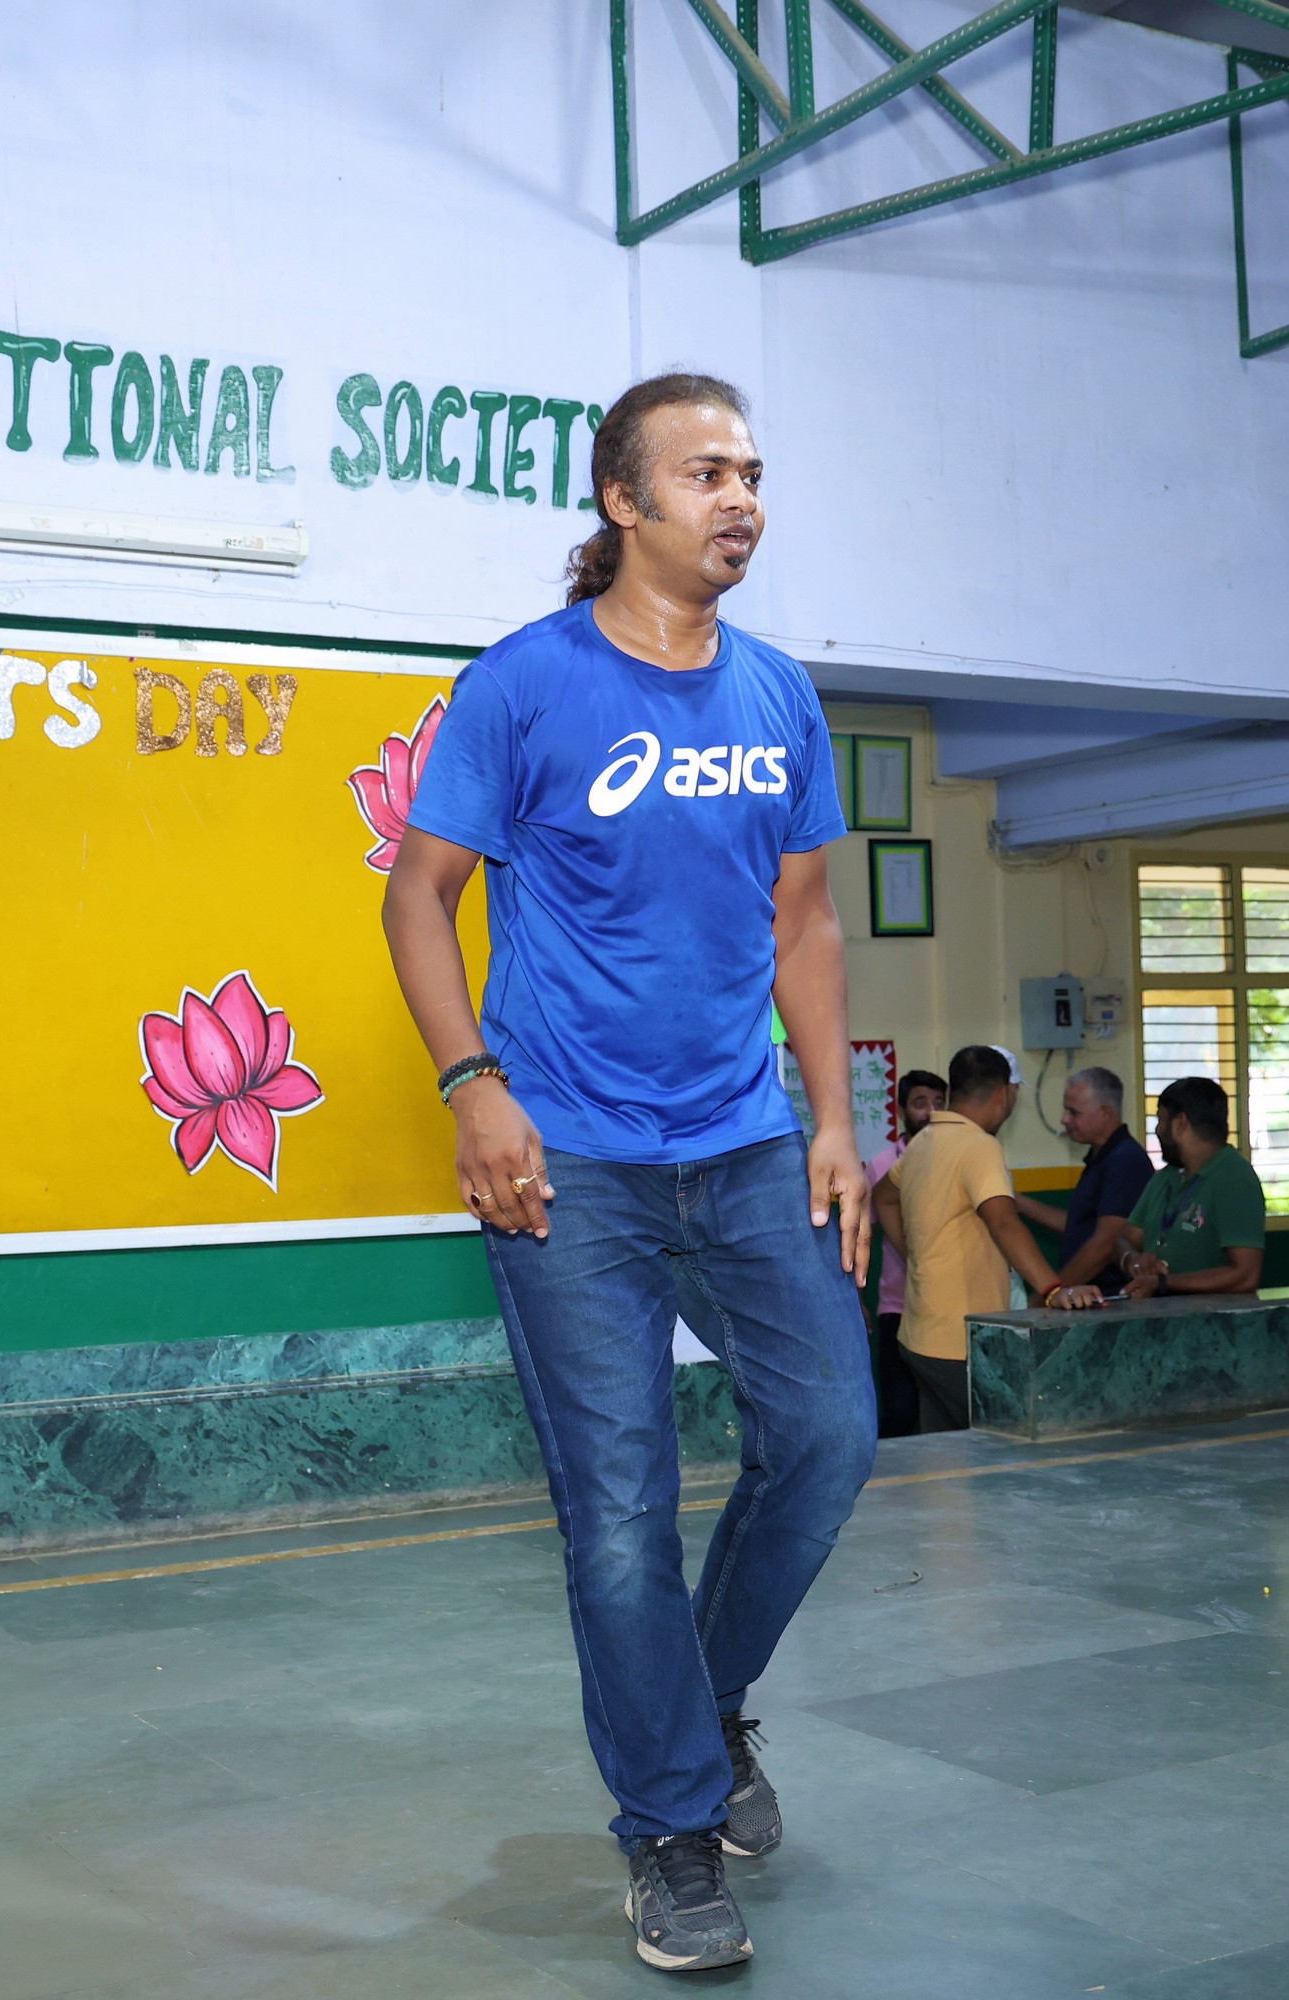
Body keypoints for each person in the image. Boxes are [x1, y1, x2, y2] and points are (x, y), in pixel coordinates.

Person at [379, 372, 874, 1975]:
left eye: (752, 472)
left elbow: (805, 920)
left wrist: (832, 1120)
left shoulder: (780, 695)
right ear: (623, 500)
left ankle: (701, 1710)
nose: (741, 499)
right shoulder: (525, 684)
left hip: (744, 1143)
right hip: (571, 1166)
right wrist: (473, 1086)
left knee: (830, 1434)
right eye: (706, 473)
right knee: (618, 1513)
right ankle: (667, 1827)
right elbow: (418, 894)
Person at [872, 1044, 1060, 1433]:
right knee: (999, 1444)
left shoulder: (924, 1140)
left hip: (920, 1335)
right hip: (962, 1342)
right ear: (1003, 1094)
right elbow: (1003, 1222)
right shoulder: (979, 1146)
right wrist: (1054, 1289)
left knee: (947, 1452)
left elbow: (883, 1197)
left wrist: (914, 1253)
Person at [1053, 1075, 1264, 1308]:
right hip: (1163, 1319)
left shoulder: (1234, 1179)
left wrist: (1164, 1283)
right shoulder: (1165, 1178)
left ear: (1180, 1123)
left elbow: (1245, 1275)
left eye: (1161, 1120)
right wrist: (1133, 1260)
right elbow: (1123, 1239)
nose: (1157, 1130)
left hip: (1214, 1322)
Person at [863, 1068, 945, 1438]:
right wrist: (855, 1297)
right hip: (898, 1306)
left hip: (947, 1304)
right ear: (901, 1111)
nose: (931, 1112)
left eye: (939, 1103)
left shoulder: (953, 1158)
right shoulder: (882, 1164)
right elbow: (861, 1234)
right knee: (900, 1410)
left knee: (947, 1410)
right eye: (920, 1103)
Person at [1045, 1065, 1154, 1296]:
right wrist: (1019, 1203)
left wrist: (1051, 1294)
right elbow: (1079, 1226)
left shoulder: (1126, 1160)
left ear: (1105, 1113)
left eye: (1074, 1112)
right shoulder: (1101, 1157)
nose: (1064, 1119)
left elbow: (1105, 1244)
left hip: (1111, 1298)